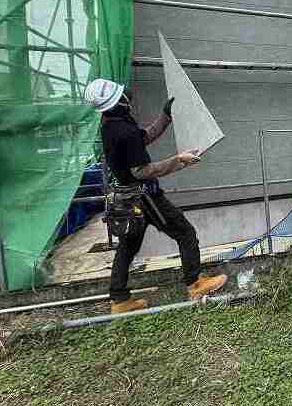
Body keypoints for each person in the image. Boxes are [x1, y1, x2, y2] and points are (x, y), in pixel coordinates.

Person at [85, 78, 226, 314]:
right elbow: (142, 171)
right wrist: (179, 161)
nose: (127, 98)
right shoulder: (123, 130)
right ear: (116, 102)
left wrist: (165, 116)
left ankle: (119, 301)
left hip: (127, 199)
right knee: (185, 232)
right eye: (123, 97)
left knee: (127, 248)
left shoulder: (110, 125)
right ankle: (196, 284)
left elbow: (144, 137)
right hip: (145, 198)